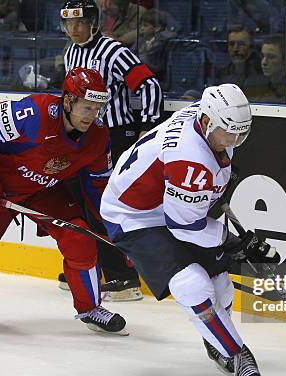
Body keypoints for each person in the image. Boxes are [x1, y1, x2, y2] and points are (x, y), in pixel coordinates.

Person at [100, 84, 280, 376]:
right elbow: (185, 227)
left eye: (241, 134)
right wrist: (235, 243)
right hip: (133, 215)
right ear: (208, 123)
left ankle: (216, 340)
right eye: (229, 133)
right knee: (192, 284)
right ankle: (235, 353)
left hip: (167, 202)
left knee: (221, 286)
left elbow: (193, 204)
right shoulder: (190, 160)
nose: (234, 141)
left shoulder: (206, 118)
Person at [0, 68, 128, 336]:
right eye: (87, 108)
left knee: (80, 238)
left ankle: (89, 308)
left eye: (97, 109)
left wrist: (118, 232)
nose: (92, 116)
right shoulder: (32, 115)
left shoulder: (98, 137)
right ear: (67, 101)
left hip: (40, 190)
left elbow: (98, 187)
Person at [59, 0, 164, 301]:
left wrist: (147, 126)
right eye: (69, 23)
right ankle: (88, 267)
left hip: (116, 137)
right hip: (87, 137)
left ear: (93, 22)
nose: (74, 29)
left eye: (80, 22)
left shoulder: (113, 51)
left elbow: (149, 85)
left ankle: (123, 277)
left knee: (105, 206)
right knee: (79, 202)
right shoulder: (71, 52)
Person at [130, 9, 175, 86]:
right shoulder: (140, 41)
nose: (142, 28)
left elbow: (158, 67)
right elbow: (129, 56)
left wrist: (138, 60)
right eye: (141, 25)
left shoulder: (162, 44)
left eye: (145, 25)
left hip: (155, 81)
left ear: (157, 28)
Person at [215, 25, 262, 94]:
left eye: (241, 44)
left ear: (251, 47)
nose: (235, 49)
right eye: (231, 44)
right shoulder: (222, 75)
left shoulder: (263, 73)